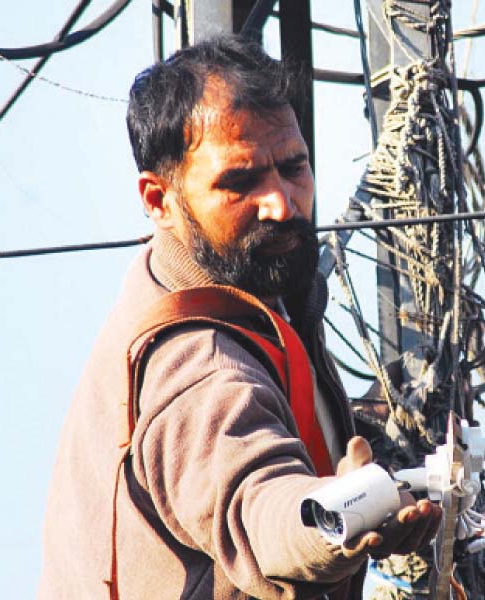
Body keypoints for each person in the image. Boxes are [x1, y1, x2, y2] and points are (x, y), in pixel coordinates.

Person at [39, 35, 440, 600]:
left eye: (293, 168)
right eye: (240, 182)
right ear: (158, 200)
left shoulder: (240, 282)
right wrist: (337, 520)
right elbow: (260, 507)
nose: (281, 203)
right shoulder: (196, 366)